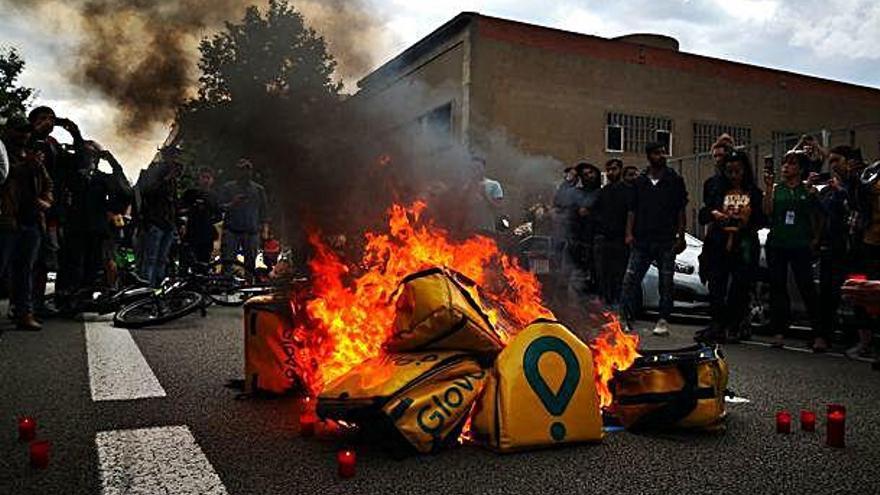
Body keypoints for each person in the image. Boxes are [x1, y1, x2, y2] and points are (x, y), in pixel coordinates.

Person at [696, 150, 765, 343]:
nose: (734, 175)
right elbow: (703, 214)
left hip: (743, 245)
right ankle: (717, 325)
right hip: (718, 244)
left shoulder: (754, 192)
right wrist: (715, 214)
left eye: (737, 171)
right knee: (716, 285)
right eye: (729, 171)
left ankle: (733, 325)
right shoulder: (716, 189)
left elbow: (762, 219)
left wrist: (746, 220)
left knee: (739, 287)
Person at [620, 142, 688, 336]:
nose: (662, 156)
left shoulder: (674, 180)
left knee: (666, 281)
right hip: (641, 239)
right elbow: (631, 210)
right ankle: (624, 317)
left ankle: (662, 319)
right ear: (649, 156)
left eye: (663, 152)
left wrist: (681, 236)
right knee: (631, 279)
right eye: (657, 153)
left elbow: (681, 210)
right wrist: (628, 233)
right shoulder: (640, 182)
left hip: (666, 239)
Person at [762, 150, 823, 349]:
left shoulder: (807, 191)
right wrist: (769, 188)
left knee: (806, 286)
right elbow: (768, 212)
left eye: (791, 164)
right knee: (778, 287)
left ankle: (819, 334)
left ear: (801, 168)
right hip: (778, 243)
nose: (786, 168)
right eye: (784, 164)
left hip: (800, 244)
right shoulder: (777, 189)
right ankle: (779, 331)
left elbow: (816, 216)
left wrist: (815, 238)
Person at [28, 106, 84, 316]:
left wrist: (75, 134)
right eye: (43, 118)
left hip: (53, 210)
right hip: (29, 208)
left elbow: (77, 164)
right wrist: (35, 132)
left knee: (46, 258)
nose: (48, 122)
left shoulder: (53, 145)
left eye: (51, 118)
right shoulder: (26, 141)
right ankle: (23, 305)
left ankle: (38, 303)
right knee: (28, 258)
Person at [0, 118, 53, 330]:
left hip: (31, 220)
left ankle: (24, 313)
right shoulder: (4, 151)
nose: (24, 135)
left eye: (27, 131)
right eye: (20, 130)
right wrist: (26, 165)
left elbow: (48, 183)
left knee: (25, 270)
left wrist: (47, 201)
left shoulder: (32, 156)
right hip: (7, 219)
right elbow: (4, 175)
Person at [139, 148, 184, 287]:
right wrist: (166, 178)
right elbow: (148, 192)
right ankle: (147, 290)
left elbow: (173, 201)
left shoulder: (172, 179)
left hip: (168, 223)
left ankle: (158, 289)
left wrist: (178, 221)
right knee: (151, 259)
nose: (175, 159)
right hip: (155, 221)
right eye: (173, 156)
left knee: (162, 259)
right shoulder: (155, 171)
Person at [593, 158, 633, 307]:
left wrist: (629, 234)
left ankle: (618, 305)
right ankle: (604, 302)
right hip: (604, 239)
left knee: (619, 274)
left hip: (620, 240)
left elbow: (631, 212)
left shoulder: (628, 191)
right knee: (603, 274)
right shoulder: (603, 192)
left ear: (620, 170)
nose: (611, 172)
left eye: (614, 169)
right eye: (608, 170)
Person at [220, 158, 268, 279]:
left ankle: (249, 286)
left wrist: (264, 230)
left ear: (250, 171)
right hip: (232, 230)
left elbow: (264, 211)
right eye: (241, 170)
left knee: (250, 263)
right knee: (227, 261)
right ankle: (226, 286)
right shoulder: (228, 187)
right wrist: (232, 203)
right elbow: (219, 207)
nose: (244, 173)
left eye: (247, 169)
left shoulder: (258, 189)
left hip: (251, 231)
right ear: (236, 171)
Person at [180, 167, 220, 265]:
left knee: (203, 262)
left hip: (206, 235)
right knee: (187, 261)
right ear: (199, 179)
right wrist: (192, 209)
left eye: (208, 178)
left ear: (212, 180)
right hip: (191, 233)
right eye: (203, 177)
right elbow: (180, 209)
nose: (206, 180)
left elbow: (218, 215)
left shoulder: (214, 196)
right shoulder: (190, 193)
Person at [458, 156, 504, 234]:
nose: (476, 170)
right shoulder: (465, 186)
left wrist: (485, 195)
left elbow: (499, 207)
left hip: (487, 228)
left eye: (478, 167)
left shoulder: (493, 185)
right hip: (469, 229)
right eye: (473, 168)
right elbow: (459, 208)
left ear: (484, 169)